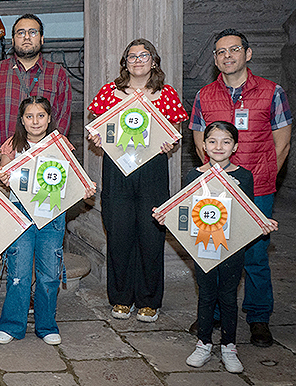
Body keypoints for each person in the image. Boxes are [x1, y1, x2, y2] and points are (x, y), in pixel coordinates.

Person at [189, 29, 292, 347]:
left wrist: (265, 176)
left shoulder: (272, 92)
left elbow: (282, 141)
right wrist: (214, 178)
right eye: (220, 52)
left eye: (234, 49)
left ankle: (258, 317)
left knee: (255, 255)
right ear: (215, 59)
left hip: (257, 187)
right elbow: (199, 139)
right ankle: (214, 312)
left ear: (248, 54)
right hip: (217, 190)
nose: (227, 56)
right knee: (213, 250)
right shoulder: (204, 95)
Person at [153, 121, 278, 373]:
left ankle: (229, 346)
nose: (218, 146)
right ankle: (204, 343)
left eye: (225, 142)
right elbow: (185, 209)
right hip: (203, 247)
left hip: (232, 247)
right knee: (207, 294)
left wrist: (262, 224)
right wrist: (168, 216)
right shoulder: (194, 176)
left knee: (229, 296)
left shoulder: (244, 176)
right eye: (212, 141)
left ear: (235, 147)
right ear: (204, 145)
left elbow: (247, 212)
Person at [87, 39, 188, 322]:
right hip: (117, 169)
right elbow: (98, 127)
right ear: (125, 63)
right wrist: (97, 137)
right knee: (119, 233)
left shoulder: (166, 94)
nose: (138, 60)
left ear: (154, 61)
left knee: (150, 234)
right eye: (132, 56)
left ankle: (148, 300)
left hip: (152, 170)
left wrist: (169, 142)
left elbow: (175, 129)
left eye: (144, 56)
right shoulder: (109, 92)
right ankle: (121, 298)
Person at [0, 97, 95, 346]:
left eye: (41, 116)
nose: (35, 121)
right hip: (21, 213)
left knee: (49, 272)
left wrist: (85, 187)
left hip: (52, 214)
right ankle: (11, 325)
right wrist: (3, 174)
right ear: (22, 120)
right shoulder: (13, 144)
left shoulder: (60, 144)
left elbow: (73, 177)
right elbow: (3, 169)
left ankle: (47, 325)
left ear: (49, 118)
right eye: (29, 116)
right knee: (18, 272)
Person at [0, 13, 72, 161]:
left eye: (32, 32)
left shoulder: (57, 74)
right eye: (21, 33)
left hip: (45, 162)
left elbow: (63, 118)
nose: (26, 37)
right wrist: (2, 153)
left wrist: (48, 153)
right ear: (13, 40)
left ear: (42, 39)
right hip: (0, 161)